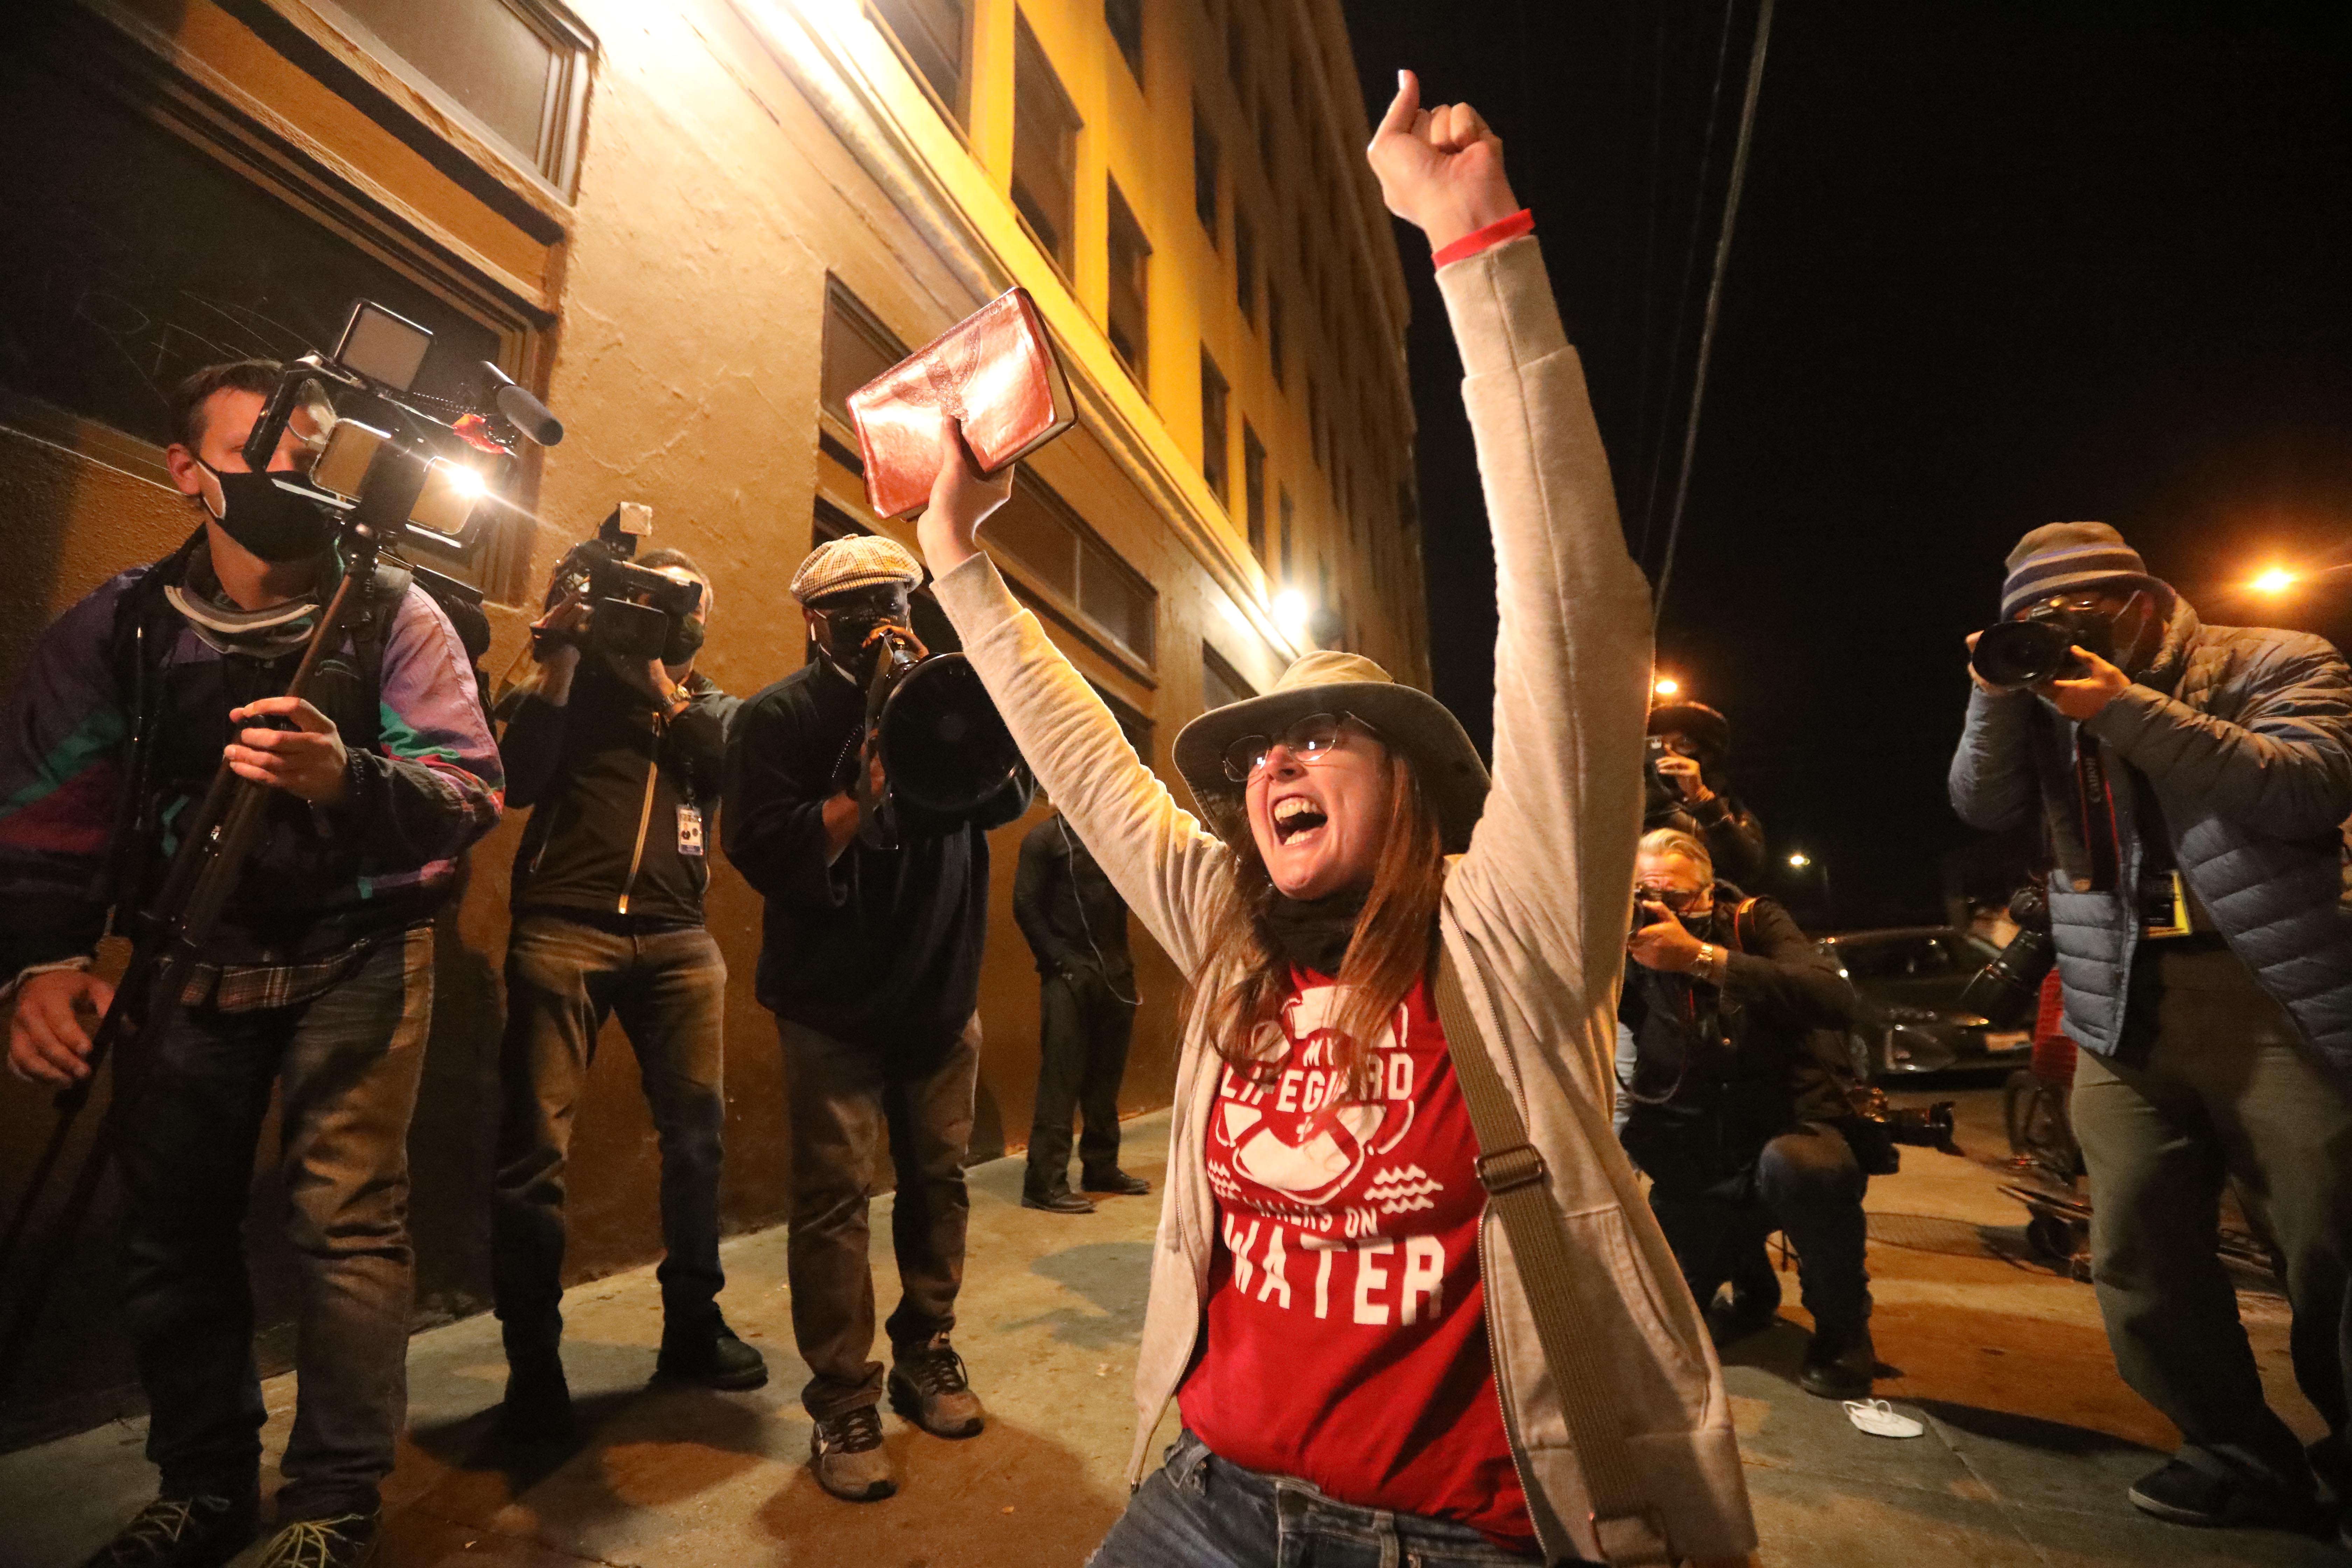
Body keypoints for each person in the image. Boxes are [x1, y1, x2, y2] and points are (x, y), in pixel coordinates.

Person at [904, 72, 1755, 1567]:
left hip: (1458, 1536)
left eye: (1317, 737)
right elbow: (1088, 763)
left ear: (1413, 782)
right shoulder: (1231, 937)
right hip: (1205, 1505)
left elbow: (1567, 607)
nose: (1269, 766)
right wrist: (959, 565)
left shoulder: (1509, 934)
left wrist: (1473, 246)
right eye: (1251, 753)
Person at [0, 359, 503, 1568]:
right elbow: (48, 807)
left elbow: (467, 789)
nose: (298, 479)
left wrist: (351, 778)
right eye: (265, 455)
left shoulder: (397, 613)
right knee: (169, 1226)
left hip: (359, 953)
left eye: (316, 458)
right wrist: (42, 962)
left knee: (346, 1222)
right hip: (186, 955)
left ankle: (332, 1500)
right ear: (187, 473)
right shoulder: (120, 629)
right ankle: (205, 1485)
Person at [1949, 520, 2352, 1534]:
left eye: (2073, 616)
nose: (2056, 639)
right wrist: (1996, 693)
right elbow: (1981, 805)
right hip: (2117, 997)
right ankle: (2232, 1452)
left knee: (2328, 1245)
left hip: (2270, 988)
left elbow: (2306, 787)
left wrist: (2127, 709)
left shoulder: (2272, 657)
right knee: (2138, 1245)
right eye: (2028, 626)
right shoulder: (2040, 701)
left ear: (2139, 599)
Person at [720, 534, 1031, 1503]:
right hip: (831, 1006)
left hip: (939, 994)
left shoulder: (947, 692)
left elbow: (1010, 795)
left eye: (898, 605)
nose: (883, 630)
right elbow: (765, 850)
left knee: (939, 1180)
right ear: (815, 624)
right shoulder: (780, 716)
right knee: (835, 1201)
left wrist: (953, 718)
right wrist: (863, 791)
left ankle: (925, 1348)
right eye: (858, 617)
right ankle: (841, 1396)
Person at [487, 545, 763, 1438]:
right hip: (563, 929)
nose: (658, 620)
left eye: (679, 605)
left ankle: (693, 1325)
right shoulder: (574, 688)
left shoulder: (710, 704)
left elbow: (728, 767)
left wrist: (658, 682)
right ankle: (533, 1363)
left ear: (700, 620)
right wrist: (561, 656)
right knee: (535, 1155)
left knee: (698, 1144)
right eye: (641, 603)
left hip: (681, 942)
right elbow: (514, 777)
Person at [1616, 829, 1869, 1399]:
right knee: (1664, 1322)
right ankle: (1752, 1284)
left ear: (1707, 896)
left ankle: (1843, 1326)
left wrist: (1703, 959)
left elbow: (1833, 997)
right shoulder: (1628, 950)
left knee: (1803, 1168)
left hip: (1786, 1133)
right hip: (1698, 1156)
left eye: (1674, 898)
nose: (1657, 909)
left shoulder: (1751, 923)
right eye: (1641, 894)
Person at [1012, 807, 1148, 1213]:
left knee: (1106, 1079)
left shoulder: (1114, 837)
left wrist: (1123, 969)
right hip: (1068, 976)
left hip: (1114, 973)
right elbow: (1025, 905)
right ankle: (1044, 1183)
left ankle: (1101, 1167)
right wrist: (1060, 962)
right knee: (1062, 1079)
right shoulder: (1044, 840)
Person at [1644, 701, 1766, 886]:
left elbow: (1747, 868)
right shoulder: (1633, 800)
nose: (1668, 752)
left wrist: (1700, 798)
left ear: (1709, 753)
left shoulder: (1731, 807)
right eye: (1659, 745)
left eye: (1684, 743)